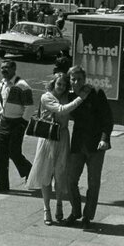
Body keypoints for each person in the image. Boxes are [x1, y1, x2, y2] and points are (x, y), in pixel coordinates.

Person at [26, 73, 91, 225]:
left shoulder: (67, 96)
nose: (61, 87)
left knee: (61, 174)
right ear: (53, 83)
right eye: (58, 84)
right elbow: (61, 110)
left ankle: (59, 204)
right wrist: (81, 97)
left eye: (63, 84)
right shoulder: (46, 97)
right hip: (48, 139)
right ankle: (46, 209)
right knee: (45, 174)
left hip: (62, 137)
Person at [64, 66, 114, 229]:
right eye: (73, 79)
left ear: (84, 79)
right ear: (69, 80)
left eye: (79, 79)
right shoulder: (70, 95)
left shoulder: (96, 93)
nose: (76, 82)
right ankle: (75, 211)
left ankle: (87, 216)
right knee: (70, 180)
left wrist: (105, 139)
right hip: (78, 144)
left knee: (93, 183)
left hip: (96, 146)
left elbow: (108, 119)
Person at [0, 59, 34, 193]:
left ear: (14, 69)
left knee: (14, 153)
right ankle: (2, 185)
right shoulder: (1, 84)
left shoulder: (22, 86)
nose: (4, 70)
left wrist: (22, 125)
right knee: (1, 156)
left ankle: (30, 172)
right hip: (4, 123)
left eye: (7, 68)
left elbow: (30, 108)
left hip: (17, 124)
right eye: (2, 68)